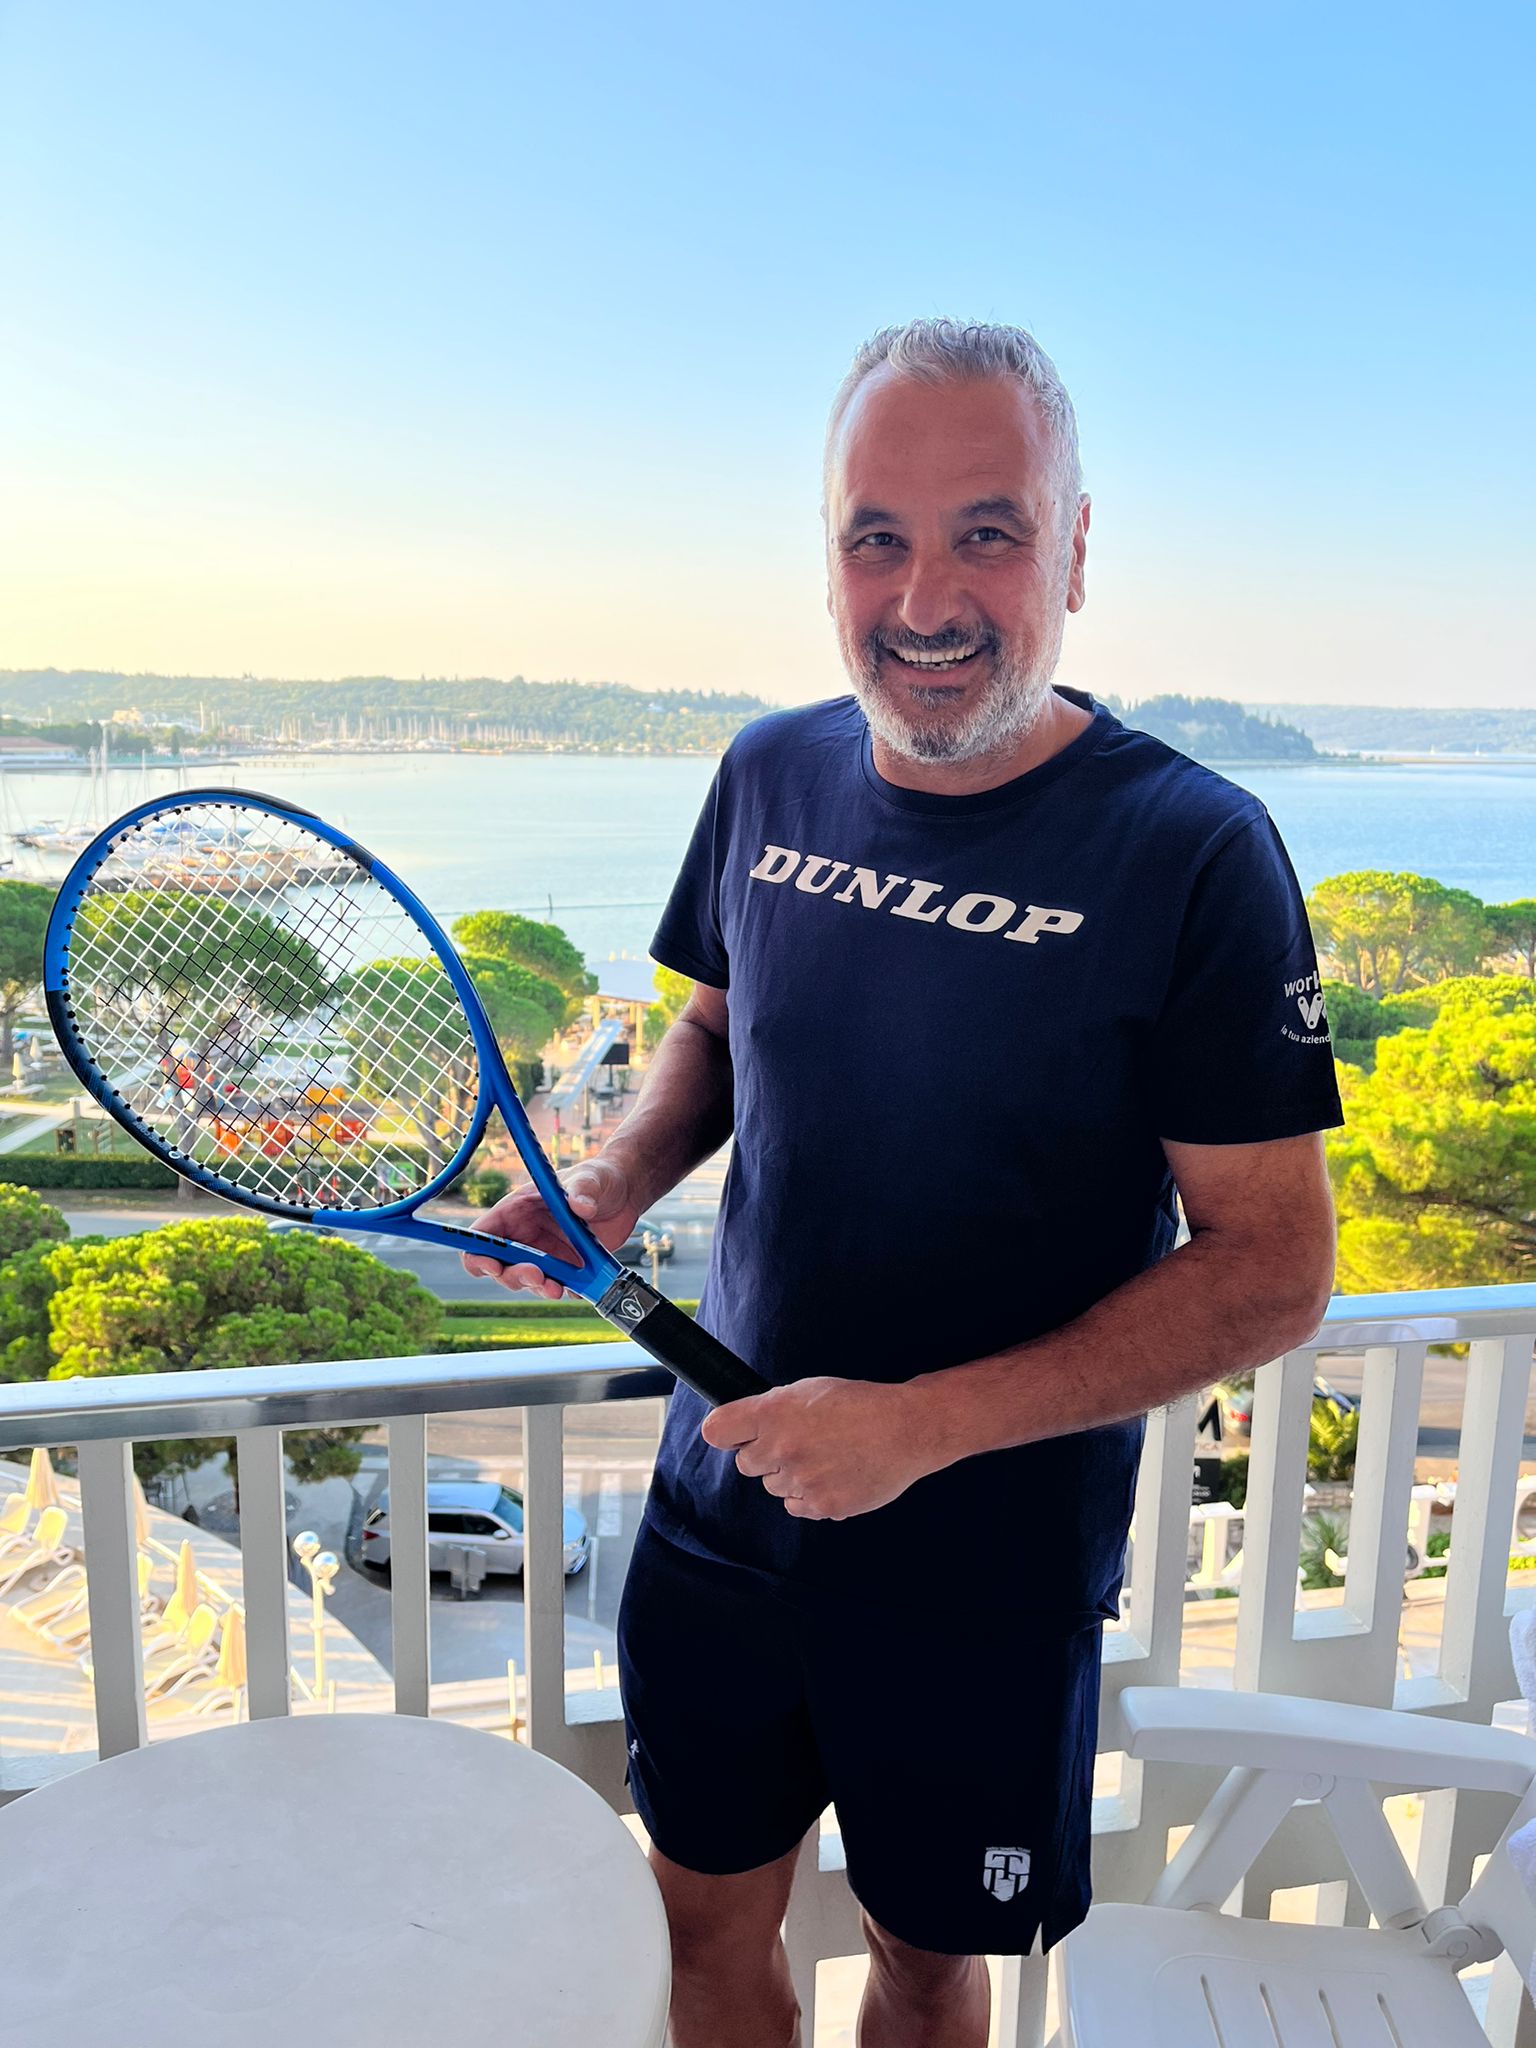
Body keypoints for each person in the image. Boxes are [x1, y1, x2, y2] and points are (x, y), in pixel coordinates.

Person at [465, 319, 1344, 2048]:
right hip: (722, 1507)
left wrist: (920, 1427)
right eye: (877, 537)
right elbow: (716, 1023)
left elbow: (1272, 1268)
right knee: (694, 1926)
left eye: (985, 532)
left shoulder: (1192, 850)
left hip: (982, 1570)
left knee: (930, 1967)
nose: (924, 597)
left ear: (1074, 549)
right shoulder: (769, 769)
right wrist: (619, 1179)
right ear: (829, 557)